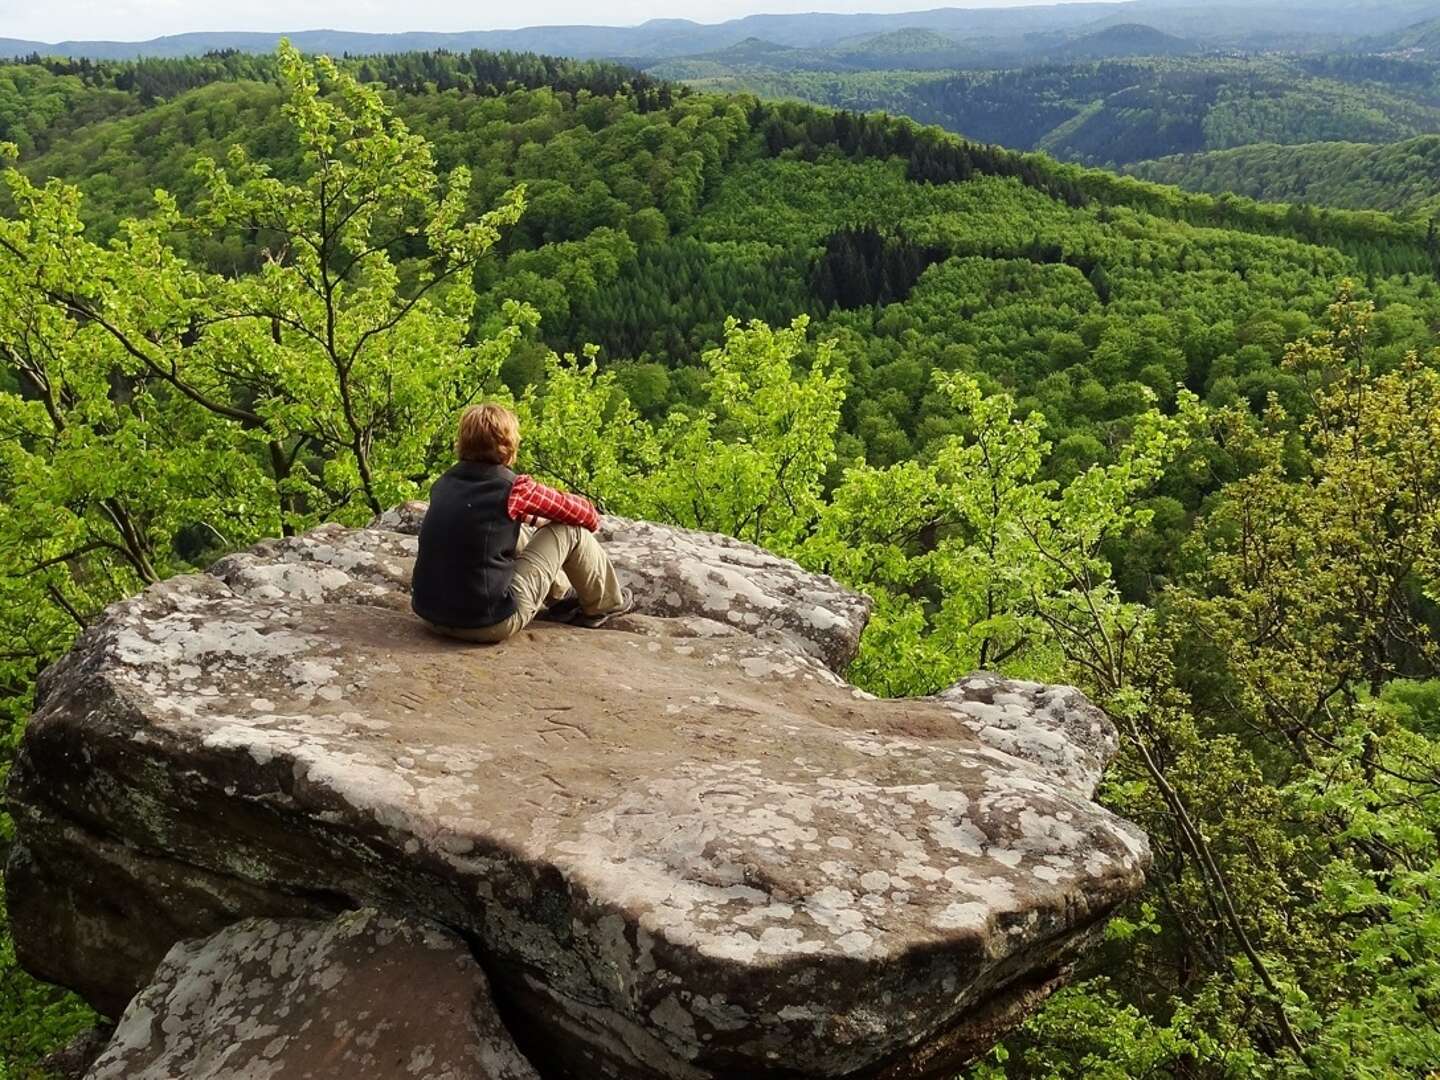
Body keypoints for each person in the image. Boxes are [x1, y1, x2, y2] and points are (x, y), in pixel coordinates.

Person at [411, 403, 633, 643]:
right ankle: (605, 604)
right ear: (508, 445)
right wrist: (548, 515)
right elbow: (587, 516)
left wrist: (530, 517)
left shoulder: (444, 482)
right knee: (569, 530)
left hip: (431, 616)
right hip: (489, 623)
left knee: (514, 532)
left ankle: (560, 596)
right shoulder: (515, 489)